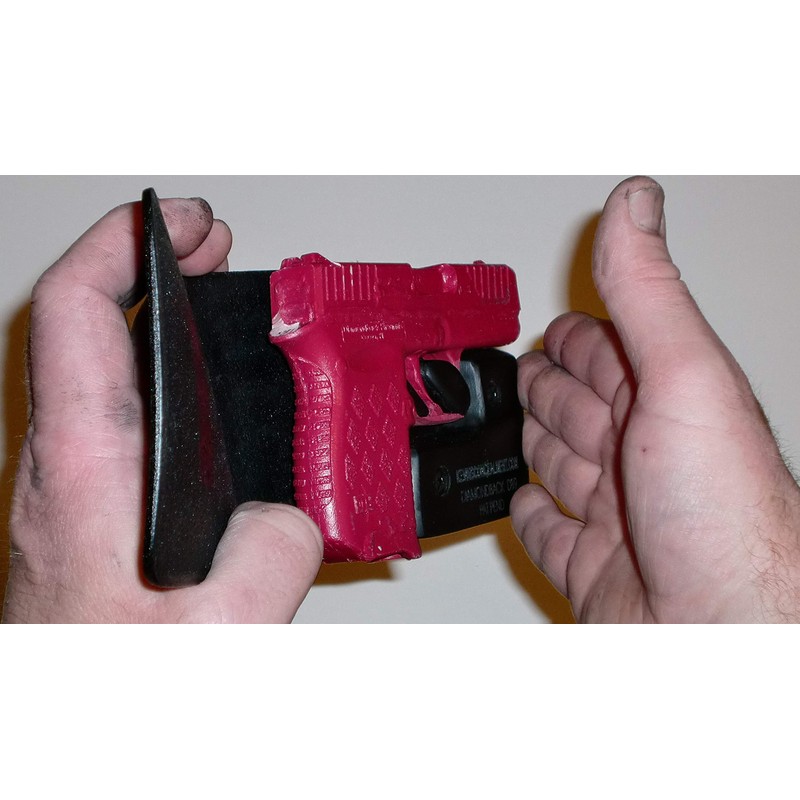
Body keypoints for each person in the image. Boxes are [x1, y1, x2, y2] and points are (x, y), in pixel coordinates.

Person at [3, 176, 800, 623]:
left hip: (336, 315)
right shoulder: (367, 324)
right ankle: (360, 526)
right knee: (352, 420)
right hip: (344, 318)